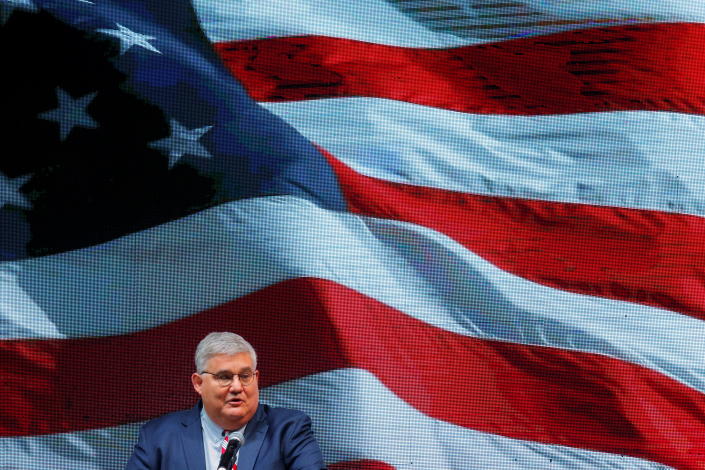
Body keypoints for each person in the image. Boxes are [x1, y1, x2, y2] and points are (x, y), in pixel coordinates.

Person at [126, 332, 327, 470]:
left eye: (245, 376)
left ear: (256, 378)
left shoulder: (288, 430)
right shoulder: (159, 436)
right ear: (198, 383)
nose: (237, 387)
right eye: (224, 377)